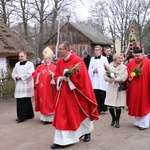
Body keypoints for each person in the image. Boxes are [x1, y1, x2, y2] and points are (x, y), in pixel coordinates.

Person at [51, 41, 99, 149]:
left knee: (81, 112)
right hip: (63, 92)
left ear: (67, 49)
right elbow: (56, 75)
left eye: (60, 49)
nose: (58, 51)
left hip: (76, 93)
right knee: (62, 114)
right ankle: (61, 140)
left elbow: (83, 78)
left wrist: (70, 77)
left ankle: (87, 131)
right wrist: (60, 78)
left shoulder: (77, 60)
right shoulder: (59, 62)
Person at [127, 47, 150, 130]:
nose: (136, 57)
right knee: (136, 104)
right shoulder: (131, 63)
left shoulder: (148, 62)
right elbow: (128, 73)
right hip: (134, 88)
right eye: (135, 56)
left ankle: (144, 124)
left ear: (142, 54)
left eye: (138, 56)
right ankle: (137, 122)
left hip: (145, 88)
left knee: (144, 104)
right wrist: (129, 78)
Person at [32, 47, 56, 125]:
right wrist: (39, 75)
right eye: (44, 59)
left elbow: (57, 76)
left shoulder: (54, 67)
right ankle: (44, 118)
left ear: (50, 59)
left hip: (50, 89)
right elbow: (34, 74)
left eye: (47, 59)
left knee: (49, 102)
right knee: (43, 101)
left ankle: (50, 118)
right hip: (42, 89)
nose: (45, 60)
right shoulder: (39, 67)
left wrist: (52, 75)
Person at [104, 53, 128, 128]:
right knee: (110, 105)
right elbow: (105, 76)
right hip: (111, 87)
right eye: (119, 58)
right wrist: (109, 79)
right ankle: (113, 117)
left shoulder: (124, 67)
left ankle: (117, 120)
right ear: (115, 58)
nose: (120, 59)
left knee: (118, 106)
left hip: (119, 88)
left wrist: (117, 79)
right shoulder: (109, 66)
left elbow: (125, 76)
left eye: (121, 58)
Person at [12, 51, 34, 123]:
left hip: (26, 84)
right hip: (19, 84)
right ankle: (26, 115)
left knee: (25, 100)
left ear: (25, 56)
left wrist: (21, 77)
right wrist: (16, 76)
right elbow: (14, 73)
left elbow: (31, 73)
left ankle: (23, 117)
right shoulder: (17, 64)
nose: (20, 58)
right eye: (19, 56)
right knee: (19, 101)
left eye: (21, 56)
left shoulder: (30, 64)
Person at [88, 45, 109, 114]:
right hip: (95, 78)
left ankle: (103, 108)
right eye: (95, 50)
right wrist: (93, 70)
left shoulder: (104, 59)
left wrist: (99, 70)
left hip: (101, 79)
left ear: (100, 51)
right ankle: (97, 109)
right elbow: (89, 69)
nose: (96, 51)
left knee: (102, 93)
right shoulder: (92, 59)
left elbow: (107, 69)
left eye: (97, 50)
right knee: (95, 93)